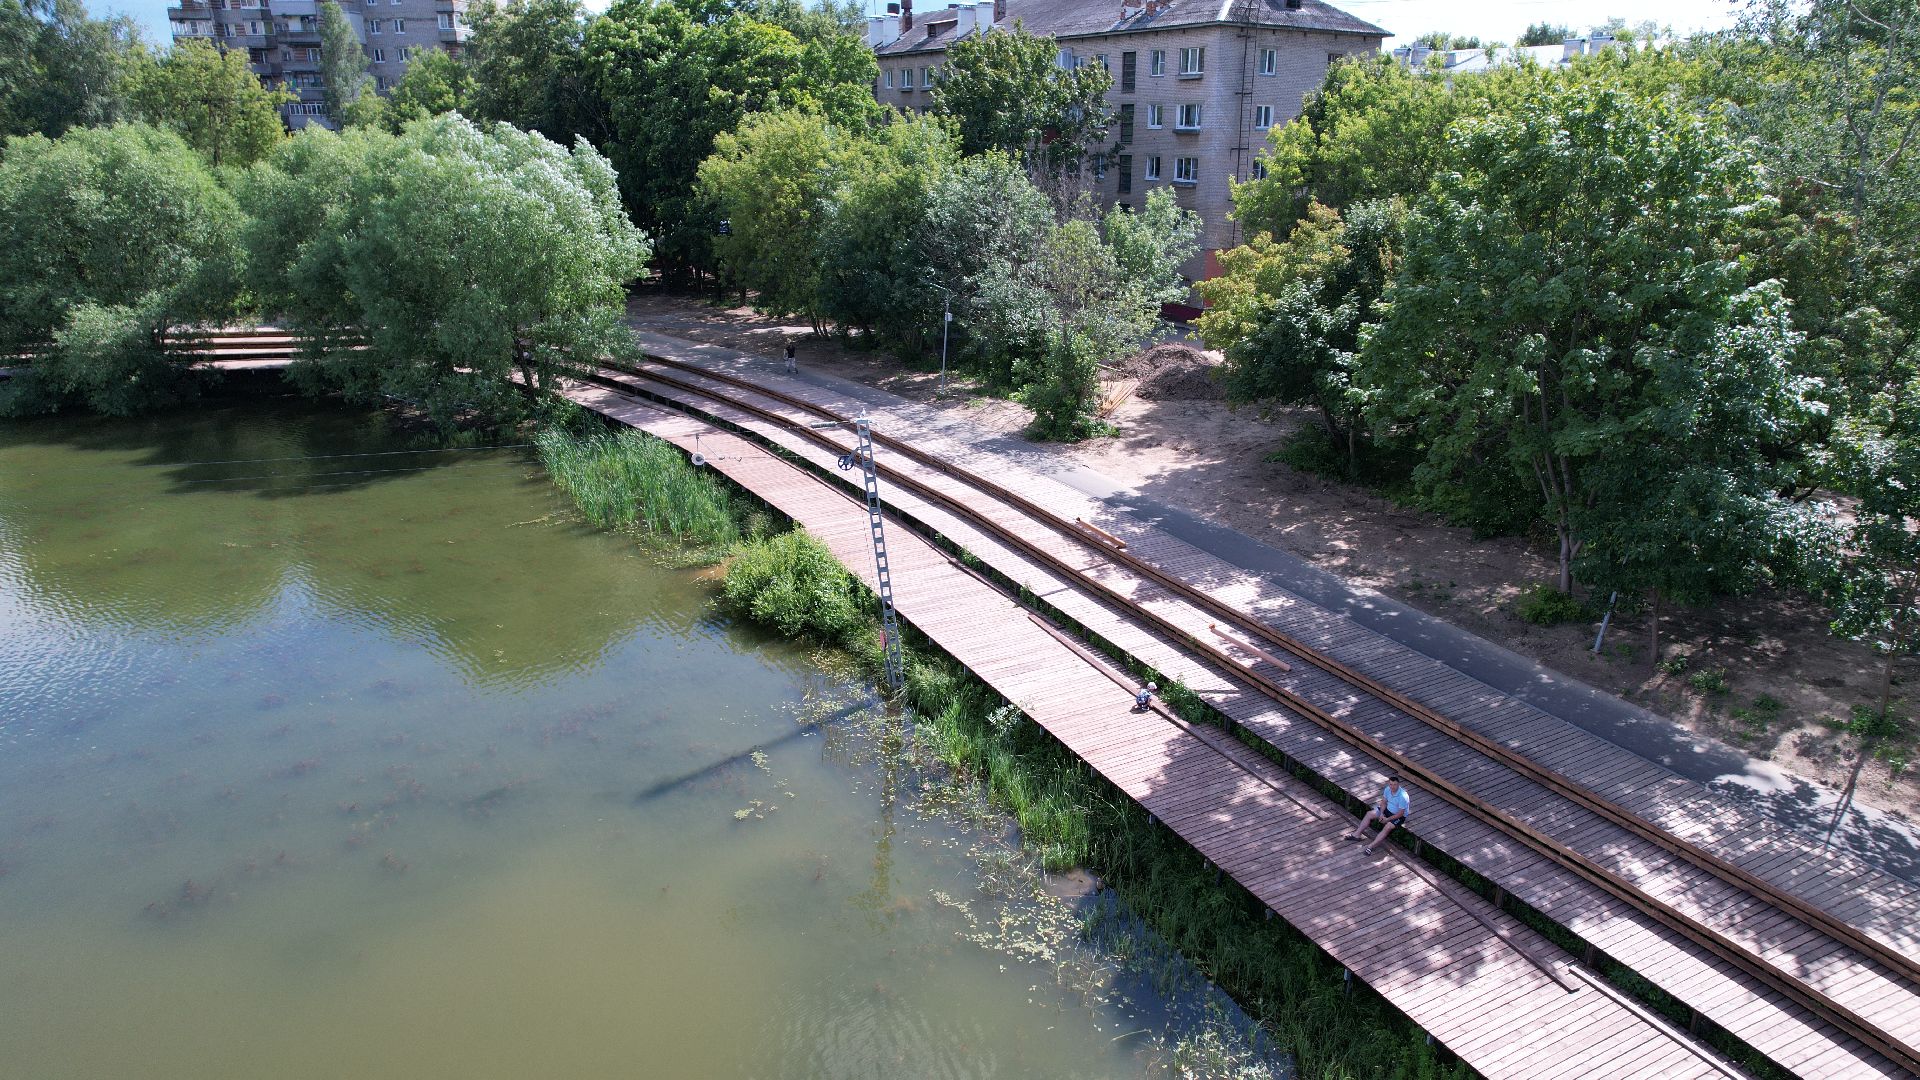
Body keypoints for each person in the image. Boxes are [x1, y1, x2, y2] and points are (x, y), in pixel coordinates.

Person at [1343, 775, 1410, 854]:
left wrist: (1387, 819)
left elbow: (1400, 813)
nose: (1392, 787)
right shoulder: (1387, 789)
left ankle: (1370, 847)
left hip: (1398, 816)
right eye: (1391, 784)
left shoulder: (1403, 796)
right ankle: (1356, 835)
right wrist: (1381, 813)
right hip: (1387, 810)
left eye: (1395, 785)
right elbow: (1384, 802)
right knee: (1369, 814)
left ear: (1398, 785)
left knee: (1388, 826)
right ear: (1389, 784)